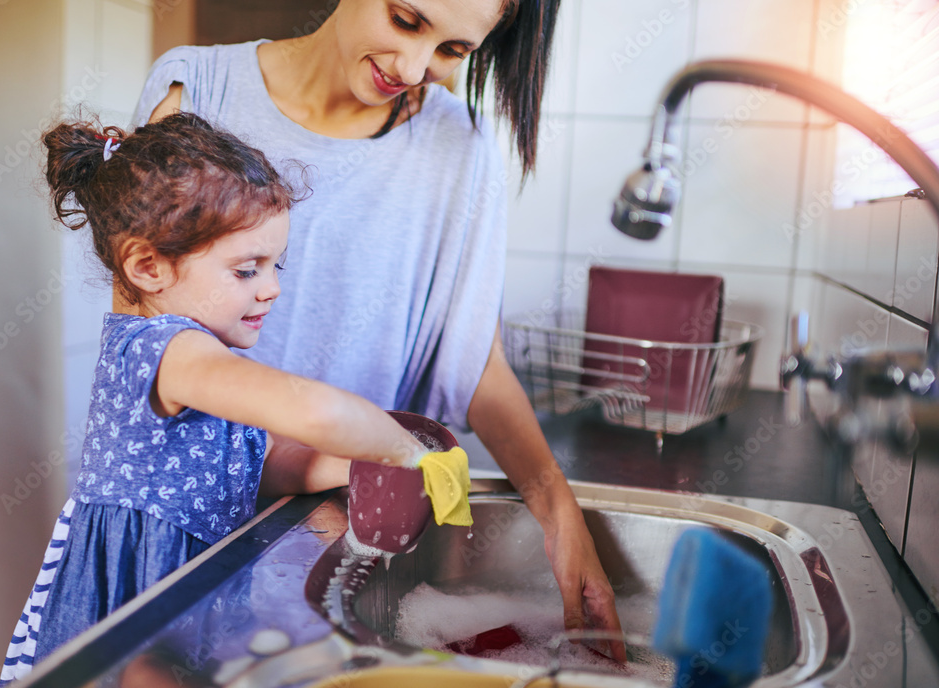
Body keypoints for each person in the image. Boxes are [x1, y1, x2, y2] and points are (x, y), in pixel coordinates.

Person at [128, 0, 627, 662]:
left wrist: (559, 513)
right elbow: (145, 348)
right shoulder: (197, 95)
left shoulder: (460, 147)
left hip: (342, 540)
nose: (416, 67)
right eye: (406, 20)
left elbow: (473, 358)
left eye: (453, 51)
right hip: (191, 538)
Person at [0, 112, 456, 684]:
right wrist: (403, 451)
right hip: (142, 598)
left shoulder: (197, 354)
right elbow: (316, 411)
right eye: (246, 270)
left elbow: (242, 465)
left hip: (193, 591)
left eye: (274, 265)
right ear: (148, 267)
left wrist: (347, 465)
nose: (272, 287)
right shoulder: (167, 350)